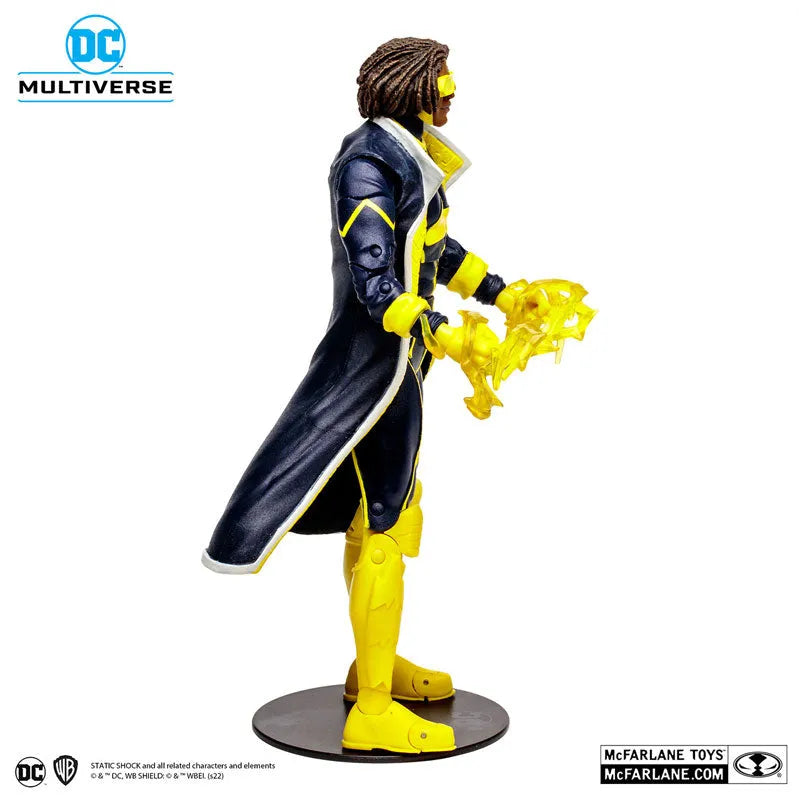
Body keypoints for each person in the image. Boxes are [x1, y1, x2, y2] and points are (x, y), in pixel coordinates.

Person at [203, 37, 524, 754]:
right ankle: (374, 709)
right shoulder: (367, 163)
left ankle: (370, 667)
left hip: (400, 366)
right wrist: (440, 330)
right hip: (373, 371)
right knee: (385, 525)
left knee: (381, 513)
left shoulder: (406, 154)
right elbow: (377, 279)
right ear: (413, 87)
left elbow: (431, 248)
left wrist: (502, 293)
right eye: (444, 83)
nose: (452, 94)